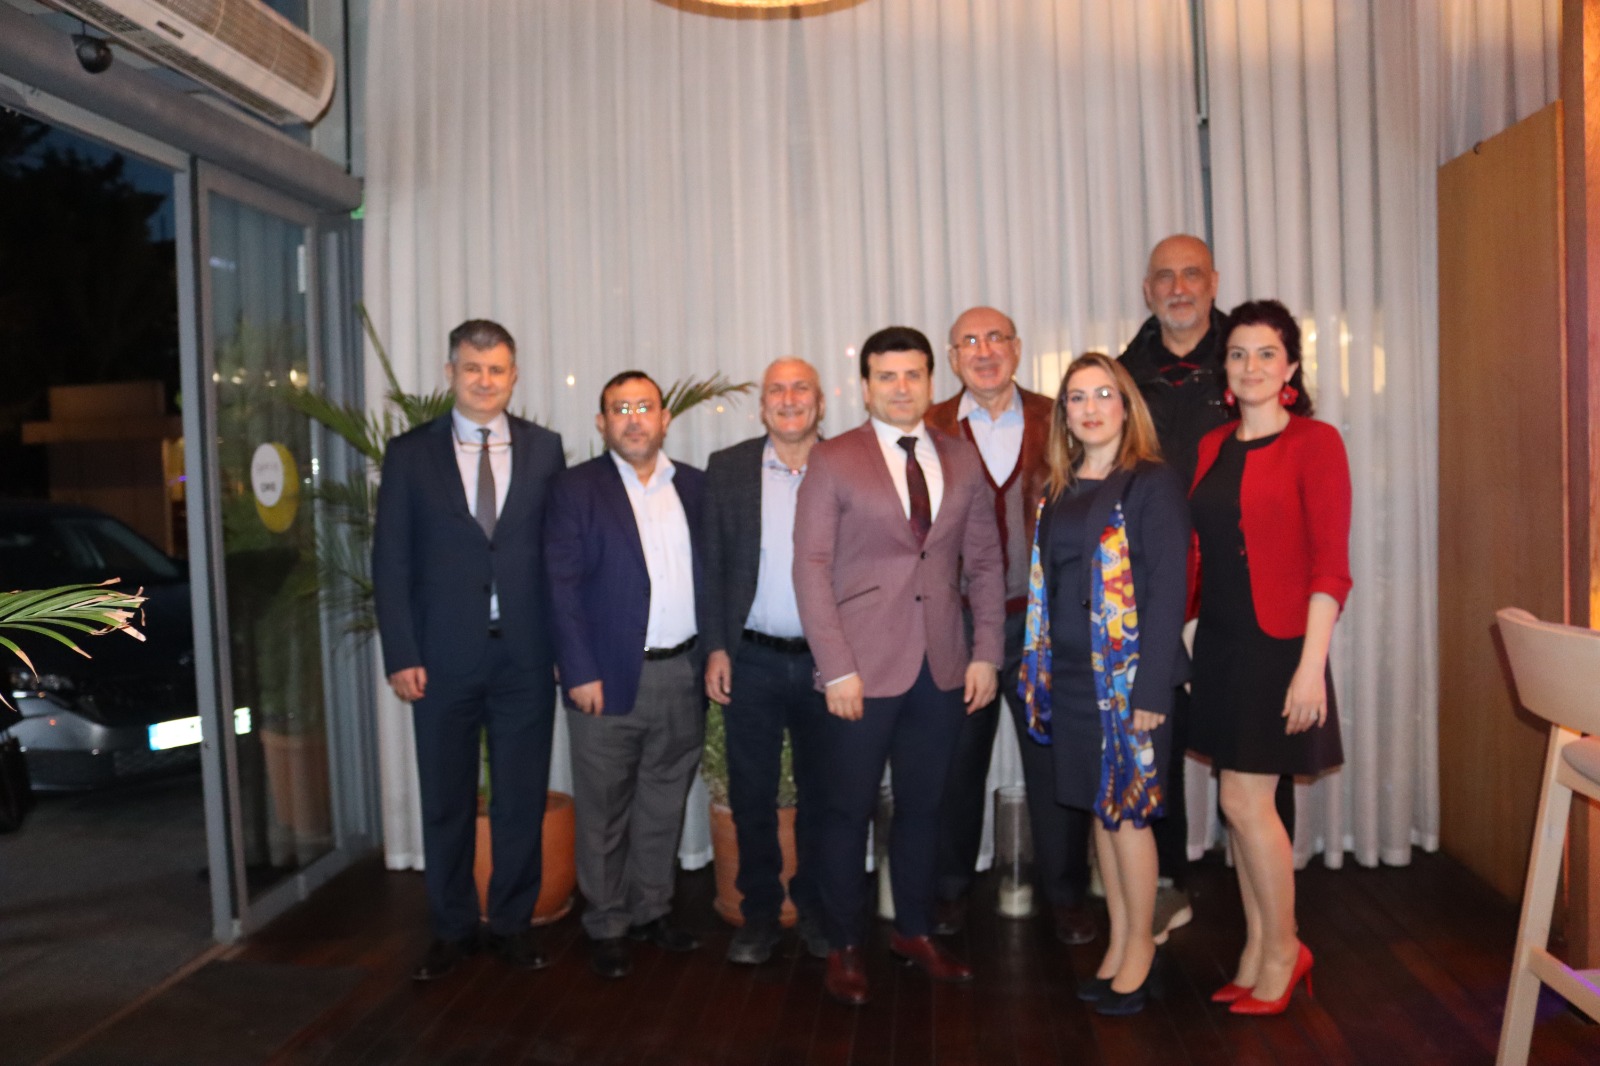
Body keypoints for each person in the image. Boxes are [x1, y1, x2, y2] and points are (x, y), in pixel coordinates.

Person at [792, 325, 1005, 1007]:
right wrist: (836, 668)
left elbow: (986, 562)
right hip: (859, 670)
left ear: (931, 381)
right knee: (845, 811)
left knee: (925, 808)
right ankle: (844, 943)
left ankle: (913, 931)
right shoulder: (832, 459)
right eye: (887, 376)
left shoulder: (961, 458)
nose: (902, 387)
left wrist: (986, 652)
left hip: (942, 667)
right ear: (865, 387)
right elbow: (811, 568)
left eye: (913, 374)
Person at [372, 319, 566, 981]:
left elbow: (559, 558)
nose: (485, 381)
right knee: (447, 802)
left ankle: (511, 925)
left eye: (497, 370)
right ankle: (452, 930)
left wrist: (565, 648)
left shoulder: (545, 449)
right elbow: (391, 560)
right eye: (473, 368)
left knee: (520, 800)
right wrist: (401, 652)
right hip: (441, 660)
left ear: (514, 377)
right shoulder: (410, 454)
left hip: (526, 659)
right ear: (450, 372)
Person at [1187, 299, 1350, 1015]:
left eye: (1265, 353)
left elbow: (1331, 566)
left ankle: (1285, 950)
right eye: (1237, 353)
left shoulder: (1316, 442)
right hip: (1221, 642)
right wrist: (1188, 627)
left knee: (1248, 802)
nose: (1250, 366)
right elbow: (1204, 550)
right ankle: (1257, 948)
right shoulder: (1211, 446)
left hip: (1281, 644)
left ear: (1289, 368)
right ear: (1224, 369)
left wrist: (1312, 667)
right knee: (1236, 803)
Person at [1018, 353, 1190, 1016]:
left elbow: (1169, 592)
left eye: (1103, 395)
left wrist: (1151, 691)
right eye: (1077, 398)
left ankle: (1142, 949)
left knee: (1129, 816)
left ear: (1126, 407)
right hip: (1069, 676)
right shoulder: (1059, 485)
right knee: (1101, 812)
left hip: (1127, 681)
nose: (1090, 409)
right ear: (1064, 413)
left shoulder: (1151, 482)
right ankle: (1119, 942)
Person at [926, 307, 1096, 947]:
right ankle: (948, 889)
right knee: (954, 766)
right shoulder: (930, 425)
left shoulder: (1061, 418)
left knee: (1053, 765)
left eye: (996, 337)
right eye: (969, 341)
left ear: (1017, 349)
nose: (984, 350)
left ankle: (1067, 896)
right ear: (953, 357)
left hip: (1040, 624)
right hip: (959, 625)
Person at [545, 370, 707, 980]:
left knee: (664, 803)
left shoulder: (695, 486)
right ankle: (607, 922)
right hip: (605, 678)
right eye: (621, 408)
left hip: (682, 673)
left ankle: (651, 910)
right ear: (602, 422)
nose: (634, 419)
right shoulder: (575, 489)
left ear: (665, 418)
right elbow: (560, 587)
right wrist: (578, 670)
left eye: (645, 407)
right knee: (604, 812)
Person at [698, 357, 830, 965]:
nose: (789, 398)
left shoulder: (848, 464)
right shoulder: (728, 469)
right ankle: (758, 915)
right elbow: (712, 568)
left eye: (801, 388)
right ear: (762, 406)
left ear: (820, 404)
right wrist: (716, 648)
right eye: (777, 389)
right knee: (751, 796)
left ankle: (816, 910)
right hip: (749, 659)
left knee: (824, 794)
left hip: (827, 664)